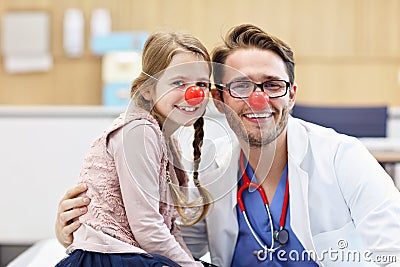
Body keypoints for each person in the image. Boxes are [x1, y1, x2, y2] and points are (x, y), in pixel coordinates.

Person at [56, 24, 400, 266]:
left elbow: (393, 248)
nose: (258, 100)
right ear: (218, 100)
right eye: (241, 87)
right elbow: (170, 240)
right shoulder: (212, 173)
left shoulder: (344, 158)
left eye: (272, 85)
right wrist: (77, 232)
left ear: (292, 95)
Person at [55, 30, 214, 267]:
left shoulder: (166, 141)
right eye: (179, 82)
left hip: (132, 253)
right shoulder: (139, 132)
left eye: (201, 83)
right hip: (107, 258)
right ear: (148, 90)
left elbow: (167, 228)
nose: (194, 94)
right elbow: (148, 227)